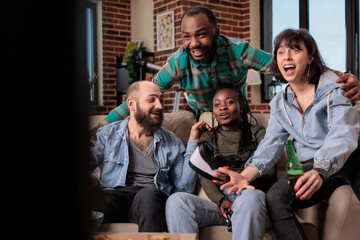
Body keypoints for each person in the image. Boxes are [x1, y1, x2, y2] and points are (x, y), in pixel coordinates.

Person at [90, 5, 360, 135]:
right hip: (203, 121)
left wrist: (340, 79)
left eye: (202, 35)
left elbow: (287, 67)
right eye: (187, 36)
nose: (193, 43)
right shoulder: (177, 62)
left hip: (238, 117)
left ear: (217, 33)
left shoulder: (237, 51)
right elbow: (139, 99)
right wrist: (100, 126)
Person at [217, 28, 360, 240]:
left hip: (345, 161)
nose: (287, 57)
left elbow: (341, 134)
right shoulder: (280, 103)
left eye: (295, 50)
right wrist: (245, 175)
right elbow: (271, 144)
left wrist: (321, 170)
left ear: (310, 57)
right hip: (309, 165)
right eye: (281, 52)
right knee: (275, 197)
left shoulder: (336, 86)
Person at [89, 81, 209, 232]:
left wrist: (193, 141)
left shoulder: (171, 141)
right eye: (151, 99)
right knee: (101, 200)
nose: (159, 106)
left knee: (147, 195)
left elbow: (184, 186)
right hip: (114, 196)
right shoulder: (107, 134)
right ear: (131, 104)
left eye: (161, 100)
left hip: (150, 199)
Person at [165, 86, 277, 240]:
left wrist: (238, 177)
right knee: (176, 201)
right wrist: (221, 200)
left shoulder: (258, 132)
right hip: (223, 205)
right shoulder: (208, 137)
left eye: (229, 102)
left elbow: (270, 173)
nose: (222, 107)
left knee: (250, 197)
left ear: (241, 105)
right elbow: (203, 175)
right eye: (217, 104)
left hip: (252, 202)